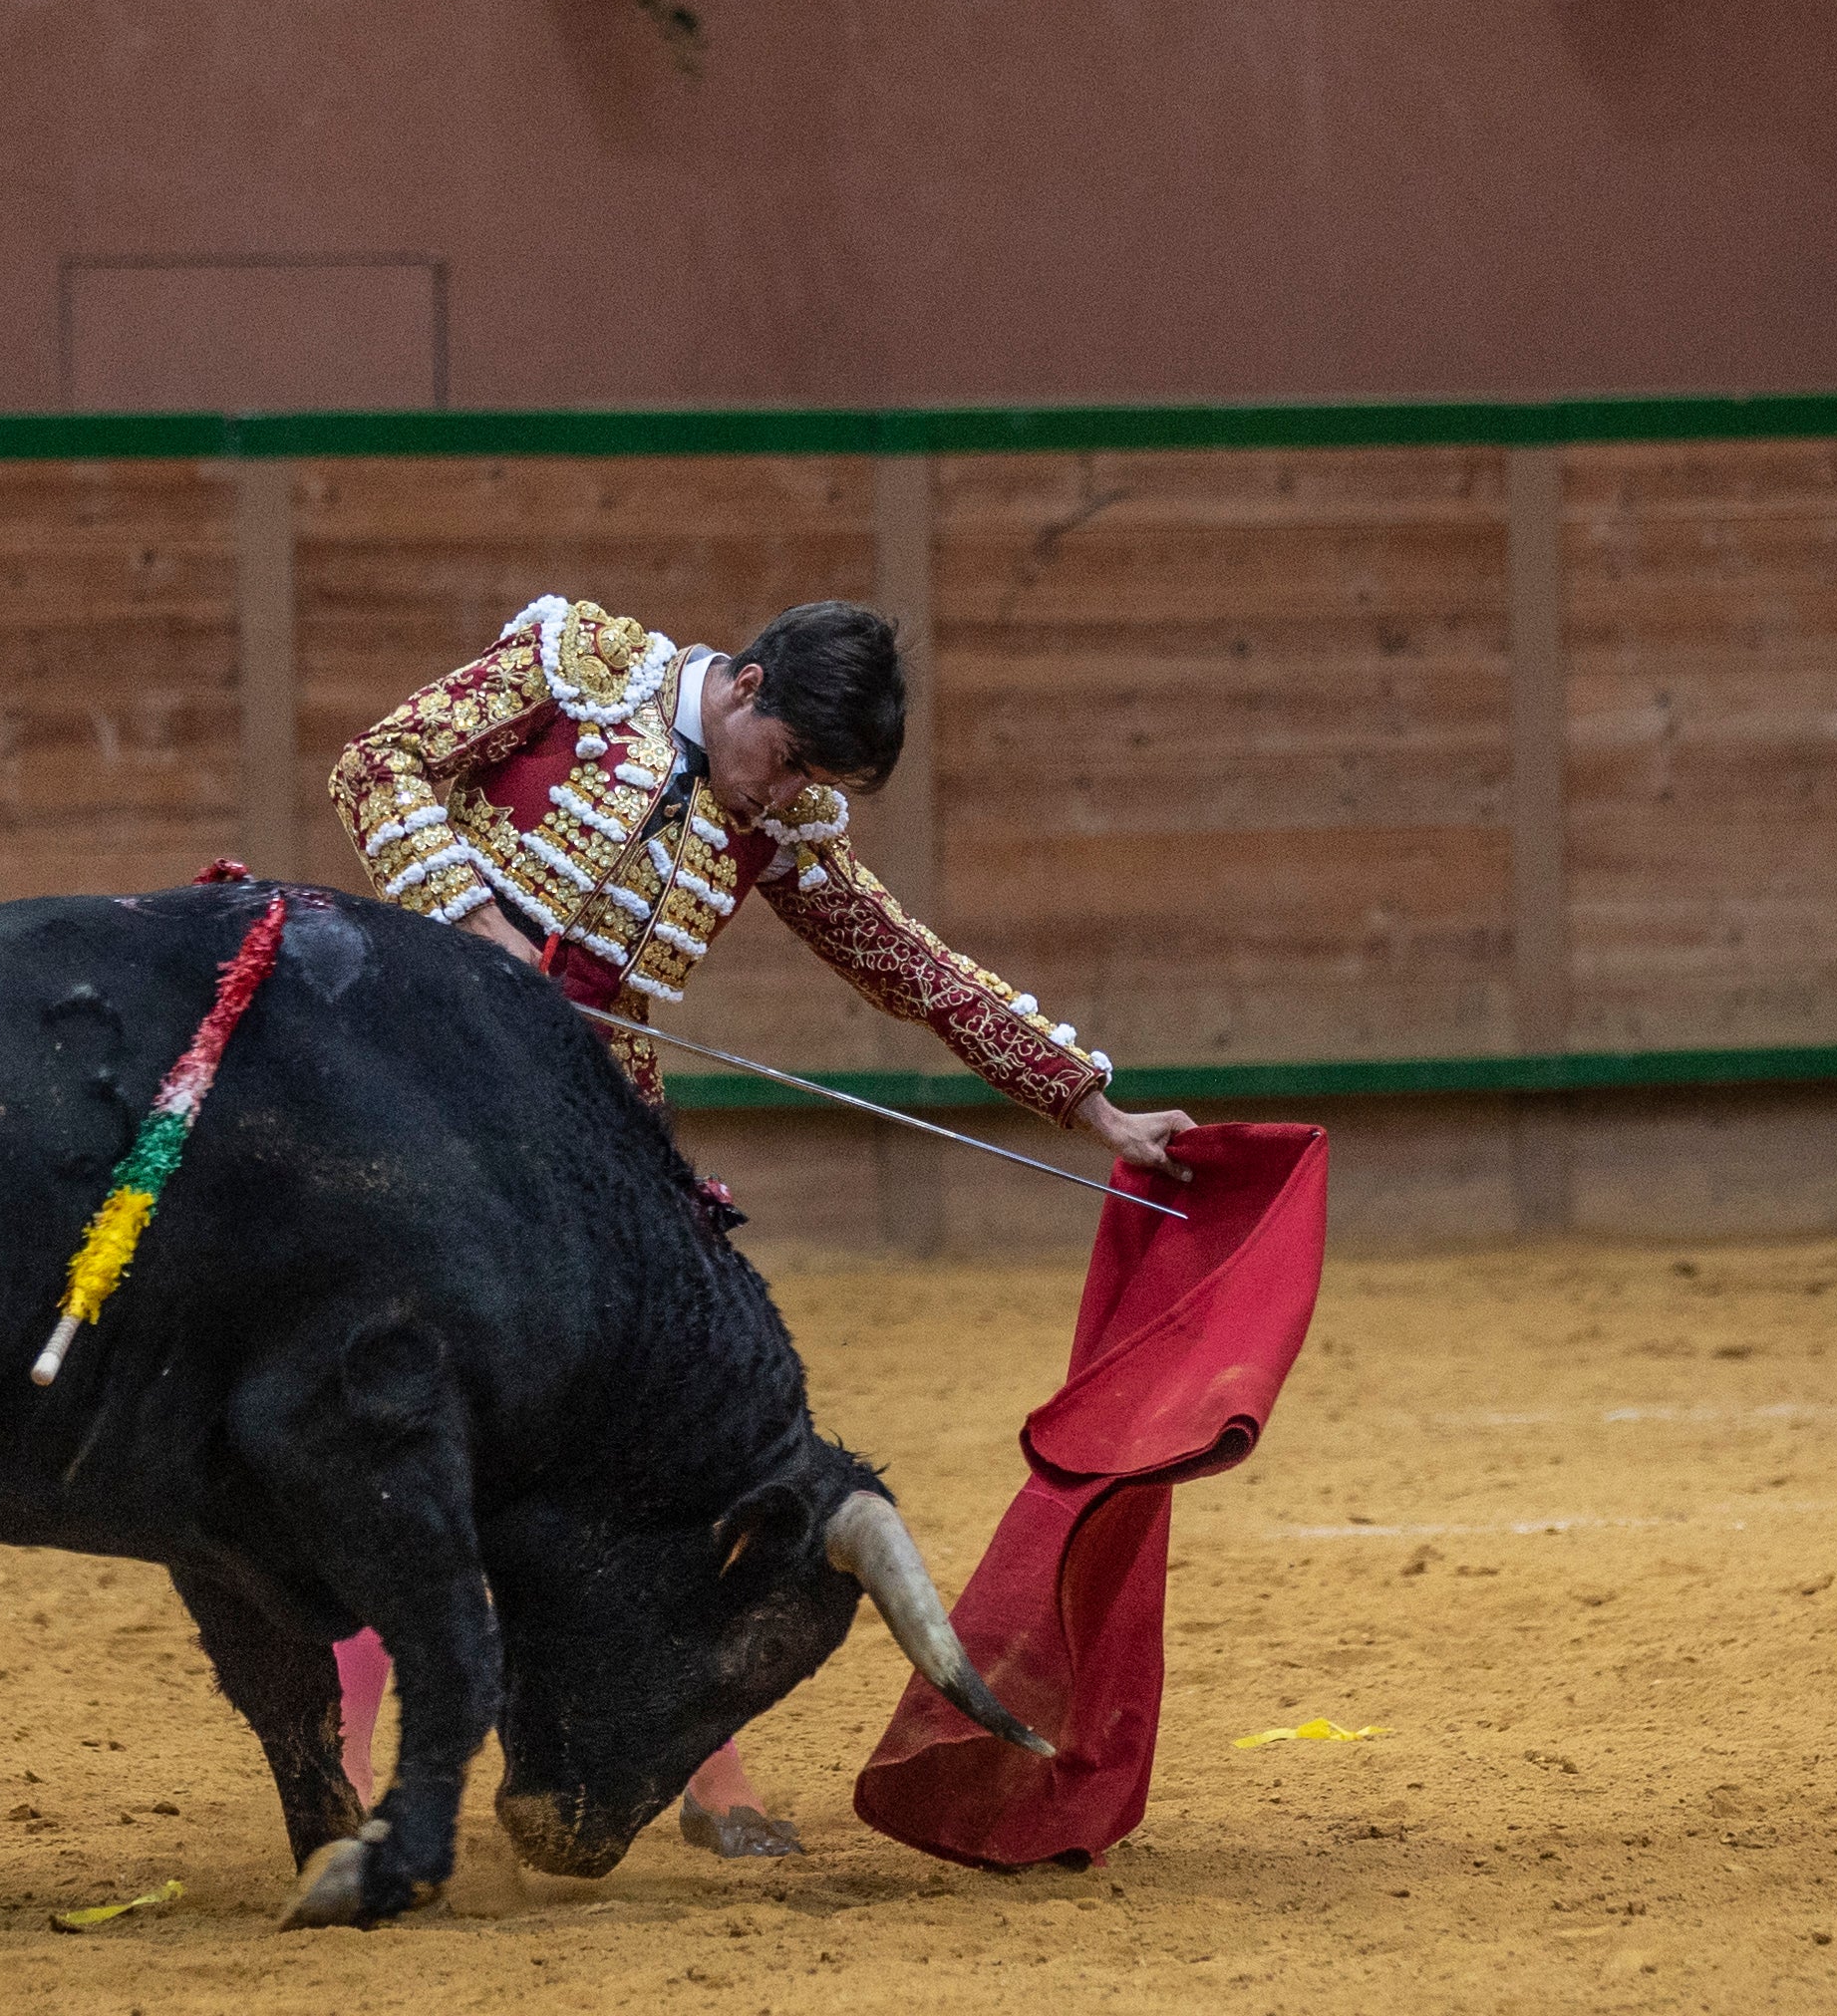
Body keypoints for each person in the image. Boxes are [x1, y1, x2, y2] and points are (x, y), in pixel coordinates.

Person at [323, 594, 1195, 1858]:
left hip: (592, 1123)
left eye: (812, 784)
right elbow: (374, 765)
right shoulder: (574, 674)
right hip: (416, 1061)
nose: (780, 797)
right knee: (387, 1405)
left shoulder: (780, 816)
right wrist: (480, 924)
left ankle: (703, 1767)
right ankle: (343, 1767)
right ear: (741, 687)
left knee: (650, 1430)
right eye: (784, 761)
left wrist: (1088, 1099)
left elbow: (904, 959)